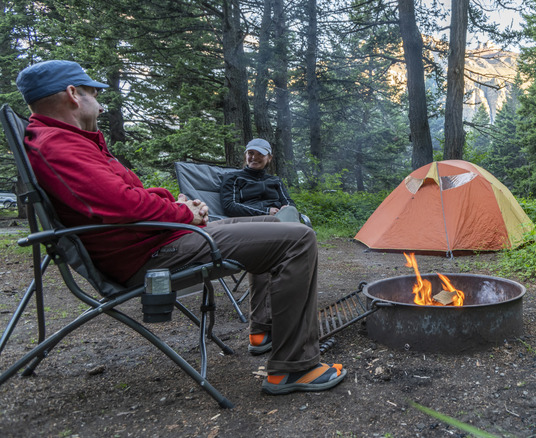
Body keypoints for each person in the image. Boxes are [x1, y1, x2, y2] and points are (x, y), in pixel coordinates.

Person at [15, 60, 345, 395]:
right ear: (73, 94)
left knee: (276, 225)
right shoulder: (58, 145)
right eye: (94, 92)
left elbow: (129, 195)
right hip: (152, 253)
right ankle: (294, 368)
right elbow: (124, 205)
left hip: (160, 238)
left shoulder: (72, 141)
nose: (100, 103)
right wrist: (183, 213)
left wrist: (179, 206)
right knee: (298, 239)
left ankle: (264, 330)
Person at [220, 138, 300, 223]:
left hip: (278, 219)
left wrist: (286, 207)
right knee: (301, 231)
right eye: (251, 153)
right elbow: (230, 206)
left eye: (260, 154)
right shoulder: (233, 178)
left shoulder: (275, 180)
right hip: (249, 221)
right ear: (245, 155)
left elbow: (288, 202)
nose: (254, 157)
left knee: (290, 210)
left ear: (269, 158)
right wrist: (266, 211)